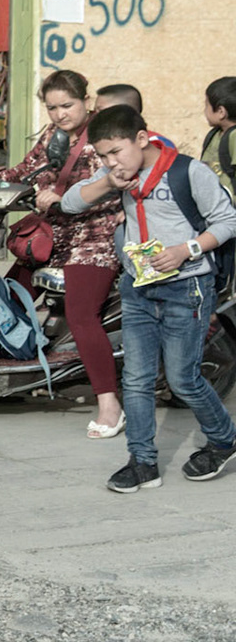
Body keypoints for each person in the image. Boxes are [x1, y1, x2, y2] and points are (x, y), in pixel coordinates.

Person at [62, 105, 236, 493]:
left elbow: (228, 221)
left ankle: (224, 438)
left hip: (186, 286)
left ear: (141, 139)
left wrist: (185, 249)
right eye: (102, 155)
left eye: (116, 152)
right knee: (136, 380)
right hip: (139, 288)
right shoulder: (115, 177)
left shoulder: (188, 172)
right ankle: (142, 462)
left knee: (183, 379)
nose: (110, 162)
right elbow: (71, 202)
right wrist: (108, 182)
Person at [0, 70, 124, 438]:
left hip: (94, 236)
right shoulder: (52, 136)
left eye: (66, 105)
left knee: (82, 314)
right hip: (51, 235)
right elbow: (23, 171)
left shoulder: (104, 136)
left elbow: (108, 182)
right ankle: (12, 377)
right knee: (9, 297)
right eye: (52, 107)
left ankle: (109, 405)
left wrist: (64, 197)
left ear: (86, 100)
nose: (59, 114)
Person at [203, 77, 236, 203]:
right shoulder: (214, 135)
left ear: (221, 112)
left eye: (206, 105)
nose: (204, 111)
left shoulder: (234, 136)